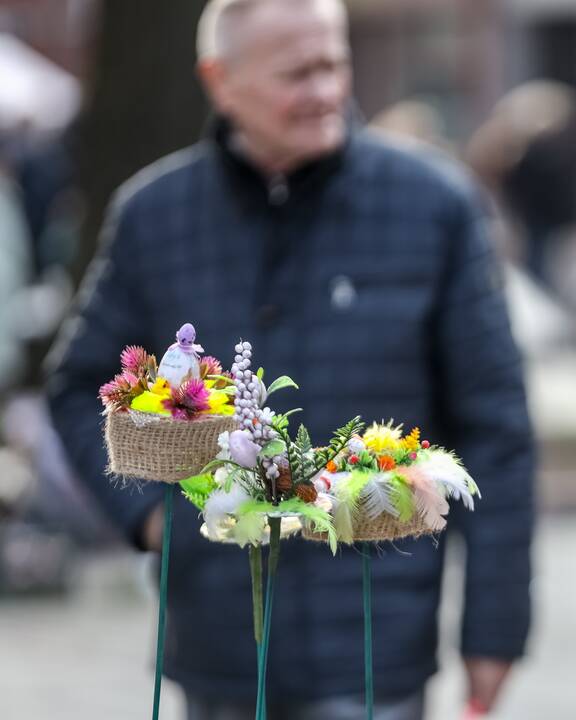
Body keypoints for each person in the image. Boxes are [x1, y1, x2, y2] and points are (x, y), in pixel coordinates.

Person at [45, 0, 535, 718]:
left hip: (374, 645)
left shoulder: (435, 206)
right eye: (296, 73)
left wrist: (495, 630)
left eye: (333, 63)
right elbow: (79, 385)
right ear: (222, 81)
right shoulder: (154, 214)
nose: (326, 90)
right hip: (216, 643)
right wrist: (152, 519)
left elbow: (497, 430)